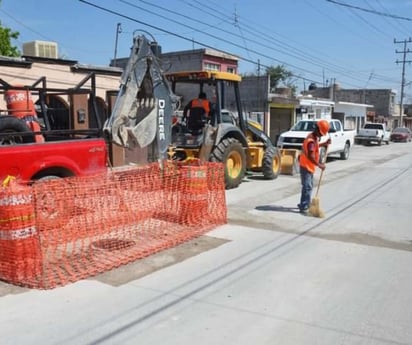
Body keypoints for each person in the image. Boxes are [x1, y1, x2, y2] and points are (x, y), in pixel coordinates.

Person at [297, 119, 331, 215]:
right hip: (306, 166)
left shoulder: (313, 137)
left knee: (307, 186)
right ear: (317, 130)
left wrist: (323, 144)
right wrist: (320, 165)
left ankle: (304, 203)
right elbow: (311, 155)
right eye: (321, 133)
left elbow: (315, 147)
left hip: (308, 166)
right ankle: (304, 206)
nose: (321, 135)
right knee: (307, 187)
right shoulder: (311, 141)